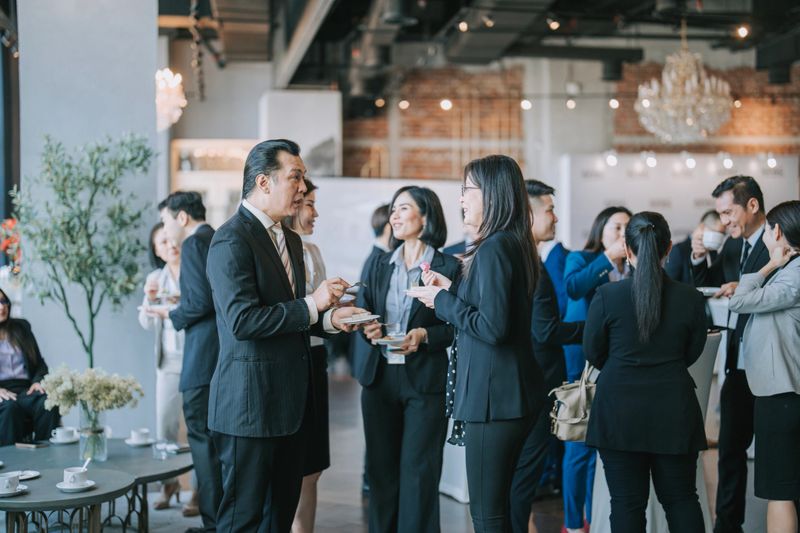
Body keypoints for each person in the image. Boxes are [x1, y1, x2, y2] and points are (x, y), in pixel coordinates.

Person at [205, 139, 367, 532]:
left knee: (278, 519)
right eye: (295, 177)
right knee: (241, 520)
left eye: (303, 179)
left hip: (292, 405)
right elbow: (244, 322)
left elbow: (292, 316)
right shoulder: (231, 240)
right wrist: (313, 303)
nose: (302, 188)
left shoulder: (290, 240)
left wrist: (330, 320)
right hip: (249, 408)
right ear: (263, 181)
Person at [410, 154, 545, 533]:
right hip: (510, 394)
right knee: (498, 507)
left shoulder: (494, 248)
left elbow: (493, 327)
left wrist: (441, 301)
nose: (461, 199)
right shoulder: (510, 244)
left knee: (488, 515)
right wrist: (450, 288)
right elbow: (496, 310)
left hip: (496, 399)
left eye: (467, 189)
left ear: (493, 194)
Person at [583, 211, 708, 533]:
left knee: (626, 504)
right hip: (674, 410)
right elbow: (691, 353)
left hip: (618, 411)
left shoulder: (608, 296)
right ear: (668, 249)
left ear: (627, 249)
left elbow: (594, 353)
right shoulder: (691, 298)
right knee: (681, 499)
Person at [356, 186, 460, 533]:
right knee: (381, 473)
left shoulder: (448, 266)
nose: (394, 216)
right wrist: (367, 328)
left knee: (419, 472)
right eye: (392, 210)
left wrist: (426, 336)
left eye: (403, 209)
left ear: (425, 216)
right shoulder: (378, 262)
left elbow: (458, 325)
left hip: (425, 378)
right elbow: (363, 312)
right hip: (380, 378)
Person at [690, 176, 769, 533]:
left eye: (728, 212)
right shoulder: (735, 247)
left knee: (777, 456)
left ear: (752, 205)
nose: (724, 221)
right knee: (730, 452)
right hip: (737, 365)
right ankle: (727, 524)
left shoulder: (780, 243)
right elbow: (708, 283)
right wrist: (698, 255)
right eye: (720, 214)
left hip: (771, 367)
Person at [509, 180, 583, 533]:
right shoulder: (530, 266)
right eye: (550, 209)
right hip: (535, 385)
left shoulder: (523, 259)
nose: (555, 217)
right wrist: (591, 327)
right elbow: (545, 332)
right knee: (523, 480)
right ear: (528, 214)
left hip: (525, 382)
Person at [728, 200, 800, 533]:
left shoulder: (792, 273)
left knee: (779, 493)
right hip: (784, 392)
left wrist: (768, 265)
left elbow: (739, 302)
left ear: (778, 232)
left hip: (781, 395)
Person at [562, 205, 632, 533]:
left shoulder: (634, 268)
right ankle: (574, 524)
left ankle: (596, 518)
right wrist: (607, 258)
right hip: (584, 368)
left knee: (603, 453)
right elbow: (573, 287)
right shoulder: (582, 258)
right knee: (578, 449)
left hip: (621, 368)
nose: (622, 235)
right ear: (601, 228)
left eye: (627, 230)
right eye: (616, 227)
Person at [156, 191, 221, 533]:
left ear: (182, 217)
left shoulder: (195, 244)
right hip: (220, 359)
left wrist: (172, 314)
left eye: (166, 220)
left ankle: (212, 524)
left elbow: (199, 303)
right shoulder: (217, 238)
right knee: (216, 444)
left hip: (201, 360)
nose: (166, 230)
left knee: (203, 443)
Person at [138, 222, 196, 512]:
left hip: (197, 359)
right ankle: (169, 484)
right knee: (165, 427)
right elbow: (146, 322)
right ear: (157, 251)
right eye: (162, 243)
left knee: (198, 427)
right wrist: (149, 299)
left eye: (171, 239)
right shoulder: (155, 279)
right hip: (168, 362)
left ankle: (198, 491)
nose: (170, 245)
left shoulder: (194, 272)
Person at [284, 178, 329, 533]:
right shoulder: (275, 254)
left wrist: (338, 315)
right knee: (286, 468)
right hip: (285, 365)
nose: (315, 212)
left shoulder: (312, 252)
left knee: (312, 468)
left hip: (315, 361)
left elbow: (319, 315)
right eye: (310, 204)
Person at [0, 288, 59, 445]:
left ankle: (45, 457)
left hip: (26, 389)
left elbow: (39, 363)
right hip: (2, 391)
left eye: (3, 301)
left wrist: (38, 381)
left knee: (48, 403)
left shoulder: (22, 327)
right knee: (10, 409)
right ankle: (11, 465)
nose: (2, 307)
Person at [665, 209, 725, 285]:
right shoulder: (678, 251)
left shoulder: (714, 252)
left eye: (723, 234)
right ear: (702, 226)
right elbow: (669, 287)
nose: (720, 238)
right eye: (717, 233)